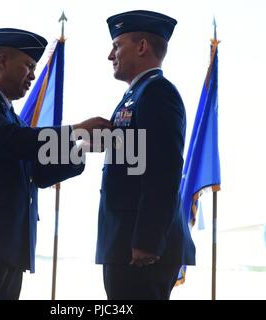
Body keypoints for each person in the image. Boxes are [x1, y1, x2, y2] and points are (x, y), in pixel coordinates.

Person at [0, 27, 111, 300]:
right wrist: (75, 130)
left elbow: (37, 173)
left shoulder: (14, 119)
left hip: (8, 249)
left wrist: (81, 148)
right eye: (28, 66)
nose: (32, 75)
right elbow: (7, 141)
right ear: (2, 60)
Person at [96, 10, 196, 300]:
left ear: (141, 47)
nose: (110, 55)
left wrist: (147, 240)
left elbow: (163, 170)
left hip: (140, 247)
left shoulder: (157, 93)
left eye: (117, 46)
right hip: (125, 239)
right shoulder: (136, 95)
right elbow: (132, 160)